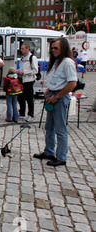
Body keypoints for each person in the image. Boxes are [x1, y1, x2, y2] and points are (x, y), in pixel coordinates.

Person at [33, 38, 77, 167]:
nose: (53, 50)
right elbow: (56, 80)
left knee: (60, 129)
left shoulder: (68, 62)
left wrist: (57, 96)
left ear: (63, 48)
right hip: (52, 95)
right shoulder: (57, 61)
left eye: (56, 48)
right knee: (49, 127)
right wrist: (48, 90)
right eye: (52, 48)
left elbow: (72, 83)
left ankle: (61, 157)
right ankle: (49, 151)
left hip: (59, 97)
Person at [16, 43, 38, 122]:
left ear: (27, 49)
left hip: (28, 80)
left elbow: (35, 70)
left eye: (23, 48)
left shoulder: (32, 58)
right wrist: (18, 71)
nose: (21, 50)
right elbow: (21, 66)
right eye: (21, 48)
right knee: (20, 97)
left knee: (29, 98)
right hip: (21, 79)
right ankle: (22, 112)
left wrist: (24, 72)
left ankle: (30, 114)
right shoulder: (22, 58)